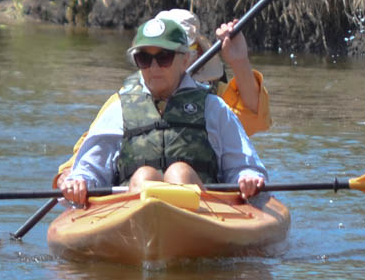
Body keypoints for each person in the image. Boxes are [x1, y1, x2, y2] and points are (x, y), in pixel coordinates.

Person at [56, 15, 267, 207]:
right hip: (132, 212)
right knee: (144, 177)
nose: (154, 67)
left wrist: (246, 177)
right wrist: (80, 180)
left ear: (186, 60)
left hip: (202, 211)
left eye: (164, 57)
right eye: (144, 59)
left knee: (179, 173)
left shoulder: (214, 107)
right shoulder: (118, 107)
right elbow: (92, 166)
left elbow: (242, 164)